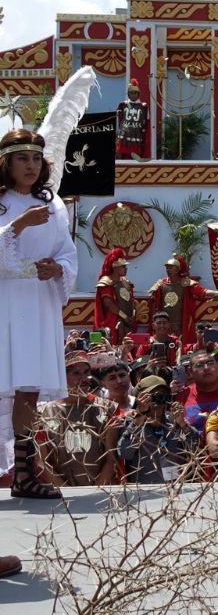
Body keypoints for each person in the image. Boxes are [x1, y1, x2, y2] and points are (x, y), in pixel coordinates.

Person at [0, 129, 78, 498]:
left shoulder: (54, 204)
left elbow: (68, 250)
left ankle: (24, 473)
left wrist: (58, 268)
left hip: (38, 300)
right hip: (5, 298)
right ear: (7, 164)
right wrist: (18, 225)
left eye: (35, 159)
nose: (30, 166)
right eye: (22, 159)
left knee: (28, 390)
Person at [37, 352, 119, 487]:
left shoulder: (108, 409)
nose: (84, 378)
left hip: (102, 493)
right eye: (76, 373)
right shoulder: (44, 414)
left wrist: (96, 492)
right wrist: (67, 493)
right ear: (61, 378)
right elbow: (42, 463)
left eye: (86, 372)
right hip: (61, 496)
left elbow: (112, 458)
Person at [117, 374, 193, 483]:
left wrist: (183, 425)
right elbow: (124, 453)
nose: (158, 400)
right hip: (146, 492)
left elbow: (196, 447)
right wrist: (139, 418)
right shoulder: (130, 422)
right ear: (140, 397)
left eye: (163, 395)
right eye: (153, 396)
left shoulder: (173, 420)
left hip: (178, 488)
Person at [147, 255, 212, 338]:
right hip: (164, 325)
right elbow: (151, 299)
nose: (168, 270)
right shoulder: (160, 284)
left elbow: (203, 292)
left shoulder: (186, 283)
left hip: (181, 324)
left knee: (181, 346)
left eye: (171, 268)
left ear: (178, 269)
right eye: (167, 268)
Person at [178, 348, 218, 434]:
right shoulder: (181, 395)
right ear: (190, 371)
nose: (206, 368)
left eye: (210, 363)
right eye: (199, 365)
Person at [94, 247, 136, 342]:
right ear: (116, 267)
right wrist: (124, 317)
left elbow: (131, 301)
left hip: (127, 322)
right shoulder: (106, 281)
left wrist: (132, 315)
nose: (126, 268)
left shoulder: (126, 282)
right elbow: (108, 304)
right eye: (123, 266)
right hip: (113, 323)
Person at [115, 82, 151, 160]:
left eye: (135, 93)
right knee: (121, 158)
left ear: (138, 94)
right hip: (124, 136)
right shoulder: (122, 105)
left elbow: (146, 123)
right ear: (128, 94)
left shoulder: (143, 107)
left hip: (137, 136)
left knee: (135, 158)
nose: (133, 95)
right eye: (131, 93)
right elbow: (119, 120)